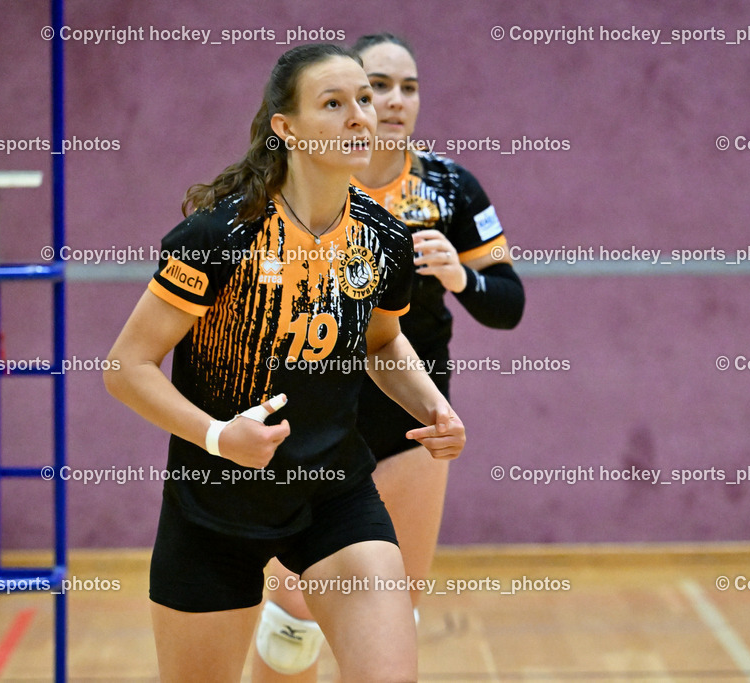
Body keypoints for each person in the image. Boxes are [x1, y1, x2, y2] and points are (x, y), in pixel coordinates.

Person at [103, 42, 466, 682]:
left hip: (334, 496)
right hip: (215, 506)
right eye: (335, 103)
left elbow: (381, 344)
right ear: (286, 129)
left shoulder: (382, 239)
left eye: (365, 98)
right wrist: (219, 436)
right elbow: (126, 368)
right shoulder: (220, 238)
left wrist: (431, 403)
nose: (364, 115)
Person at [254, 34, 525, 681]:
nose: (395, 102)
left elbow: (508, 302)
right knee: (293, 625)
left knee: (390, 618)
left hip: (410, 425)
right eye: (379, 87)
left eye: (410, 87)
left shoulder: (450, 187)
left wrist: (461, 276)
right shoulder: (304, 186)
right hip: (310, 425)